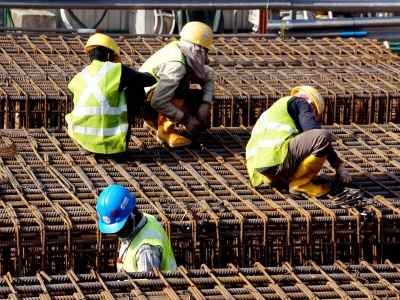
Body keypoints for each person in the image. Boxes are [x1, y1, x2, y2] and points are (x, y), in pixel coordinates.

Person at [246, 86, 352, 197]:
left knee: (301, 141)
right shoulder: (302, 103)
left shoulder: (273, 111)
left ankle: (273, 178)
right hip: (276, 159)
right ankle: (301, 184)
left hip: (259, 167)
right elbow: (313, 131)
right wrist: (338, 165)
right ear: (312, 105)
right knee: (322, 137)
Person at [66, 33, 156, 155]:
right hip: (113, 144)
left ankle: (87, 146)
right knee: (136, 87)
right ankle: (123, 140)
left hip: (82, 138)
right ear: (109, 56)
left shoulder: (78, 78)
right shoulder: (116, 70)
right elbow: (149, 80)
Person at [139, 21, 215, 148]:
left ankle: (153, 123)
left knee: (196, 94)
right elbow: (158, 102)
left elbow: (208, 80)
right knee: (181, 87)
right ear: (198, 49)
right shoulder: (176, 66)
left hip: (145, 99)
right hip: (144, 104)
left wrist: (205, 105)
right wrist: (187, 119)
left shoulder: (180, 51)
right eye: (205, 51)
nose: (206, 57)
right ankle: (166, 131)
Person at [96, 184, 177, 272]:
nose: (118, 234)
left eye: (121, 229)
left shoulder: (146, 251)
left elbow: (149, 285)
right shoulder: (147, 218)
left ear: (132, 216)